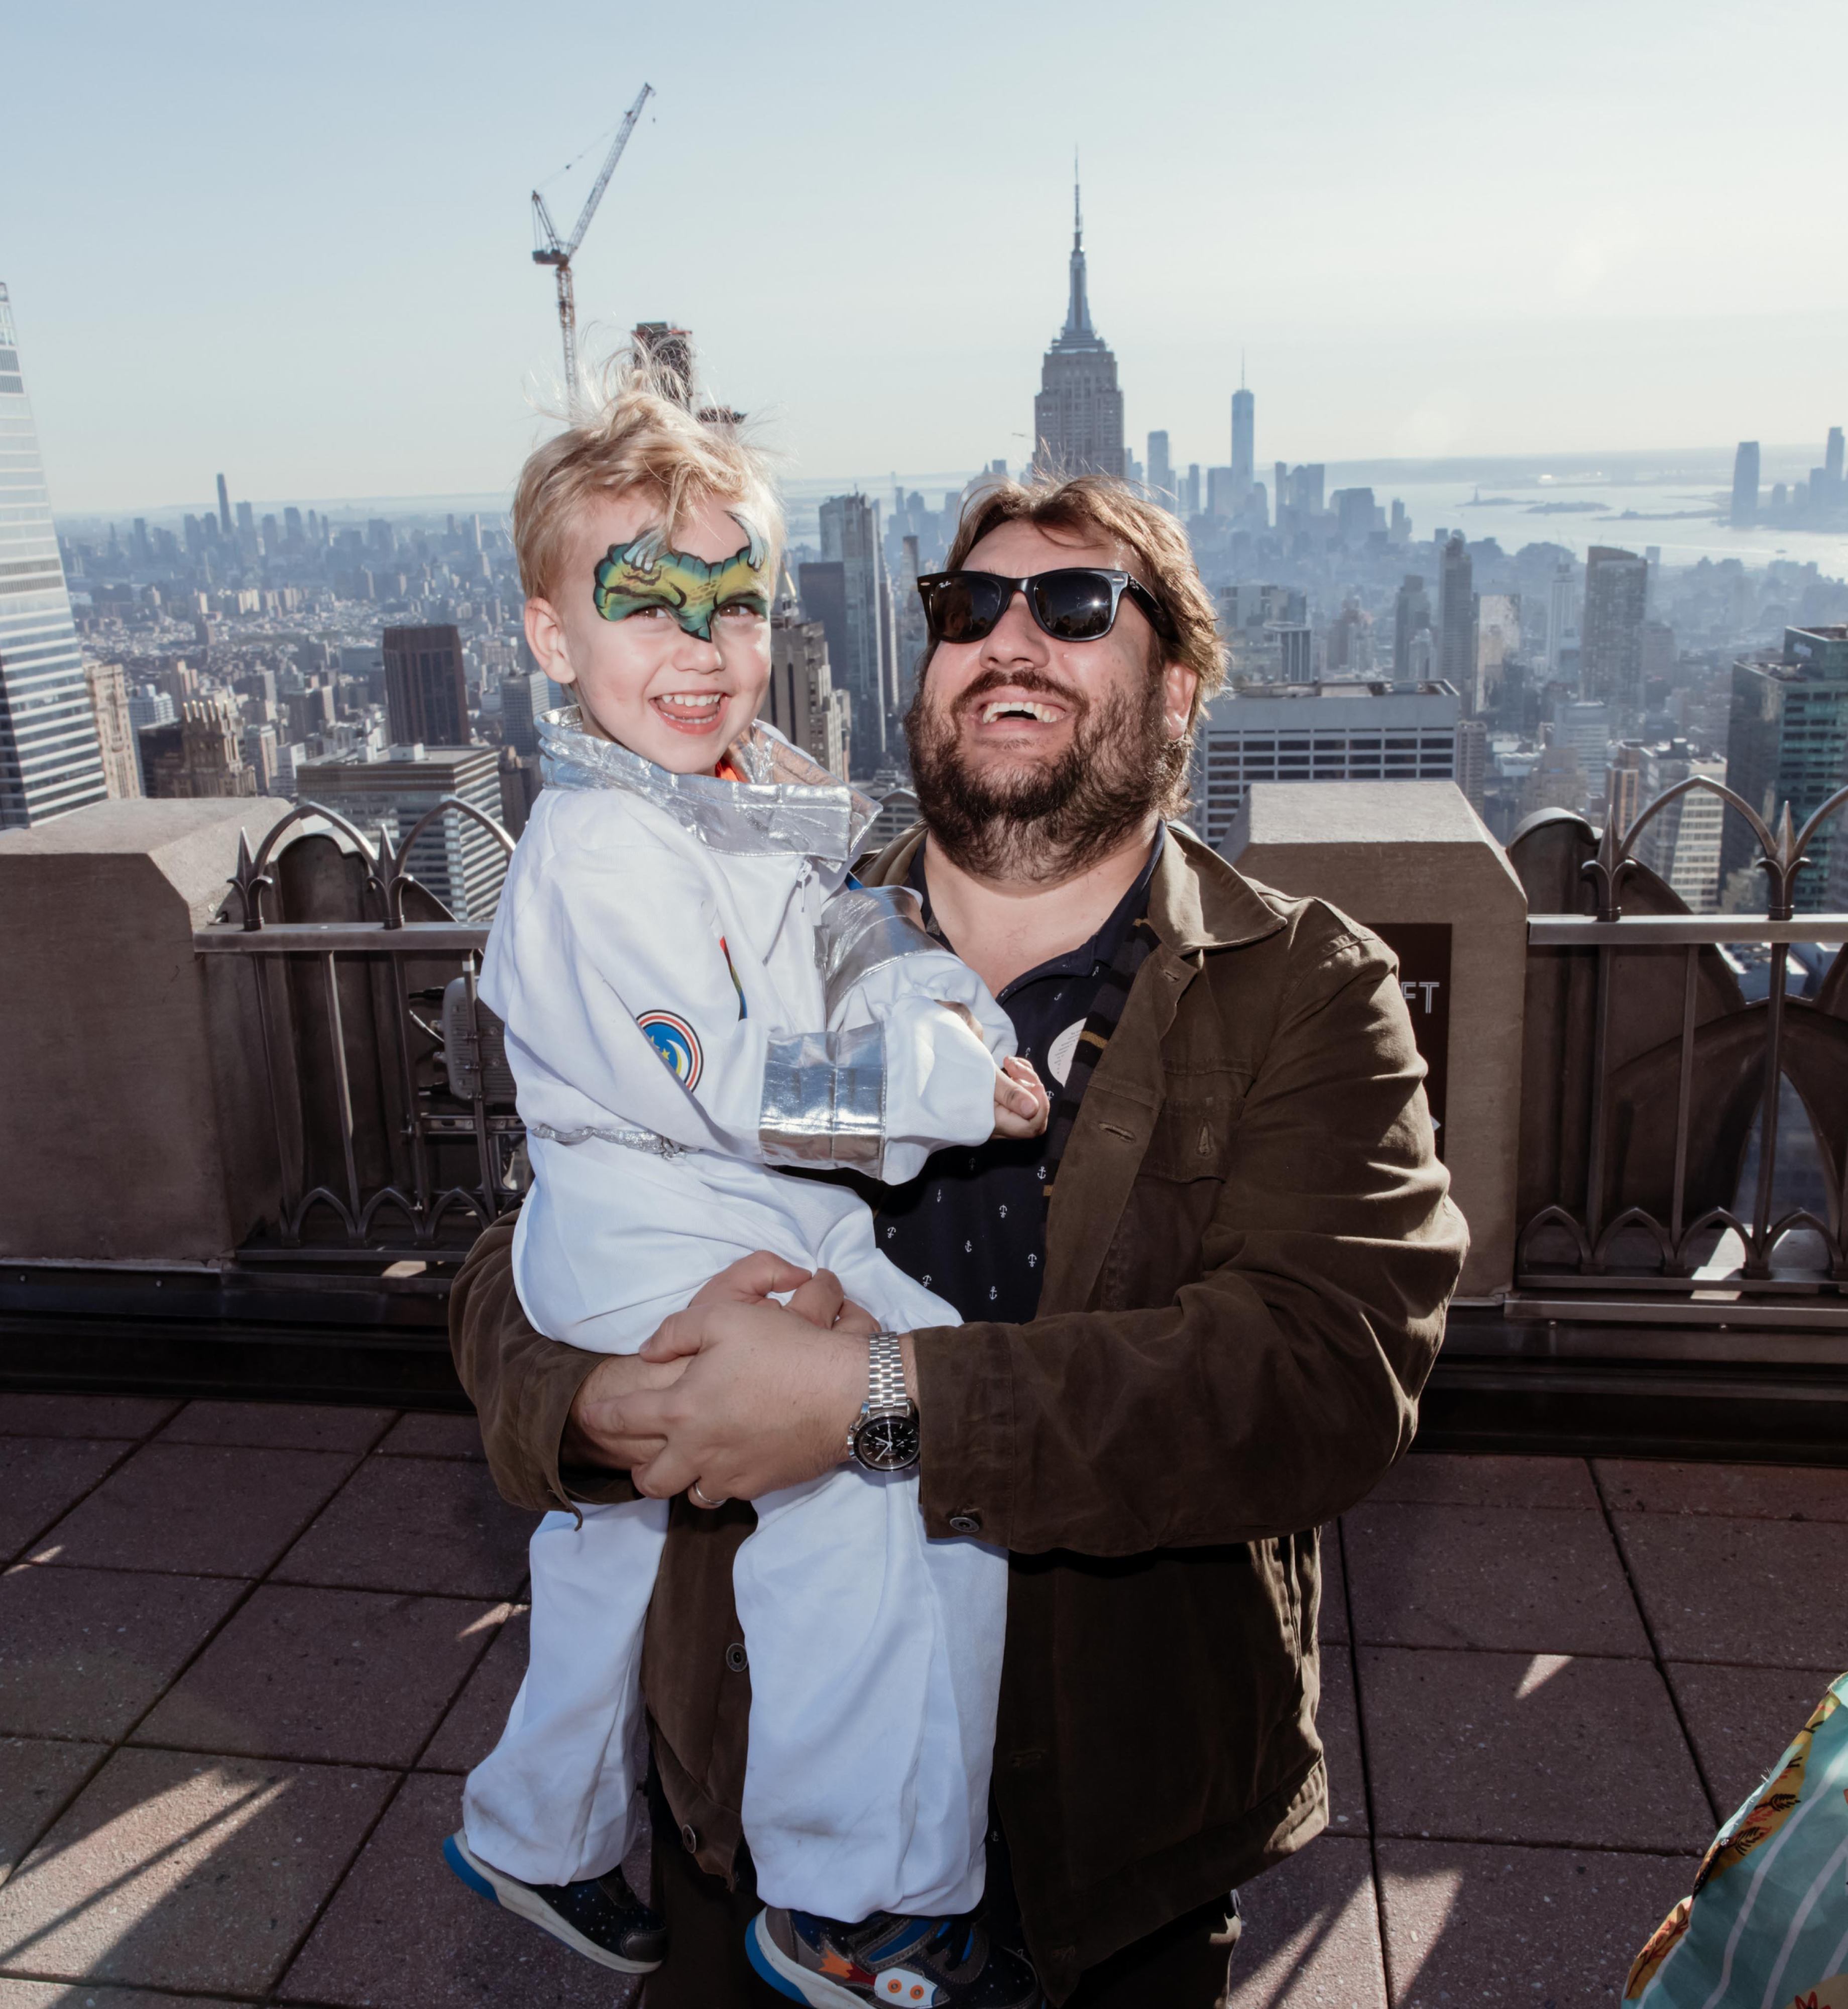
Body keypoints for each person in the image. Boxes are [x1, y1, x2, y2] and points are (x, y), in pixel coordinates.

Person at [451, 468, 1470, 2008]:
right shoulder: (758, 927)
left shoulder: (1309, 994)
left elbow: (1321, 1377)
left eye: (1074, 606)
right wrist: (612, 1408)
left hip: (1112, 1845)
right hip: (741, 1827)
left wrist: (868, 1409)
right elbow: (514, 1276)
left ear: (1175, 690)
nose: (1010, 638)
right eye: (964, 606)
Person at [443, 373, 1048, 2008]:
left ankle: (536, 1825)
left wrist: (921, 1001)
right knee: (877, 1475)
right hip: (660, 1224)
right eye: (646, 601)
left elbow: (838, 940)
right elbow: (744, 1082)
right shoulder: (600, 856)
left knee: (625, 1542)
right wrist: (943, 1084)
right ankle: (851, 1896)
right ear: (551, 639)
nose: (702, 646)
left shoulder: (711, 807)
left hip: (703, 1217)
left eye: (739, 603)